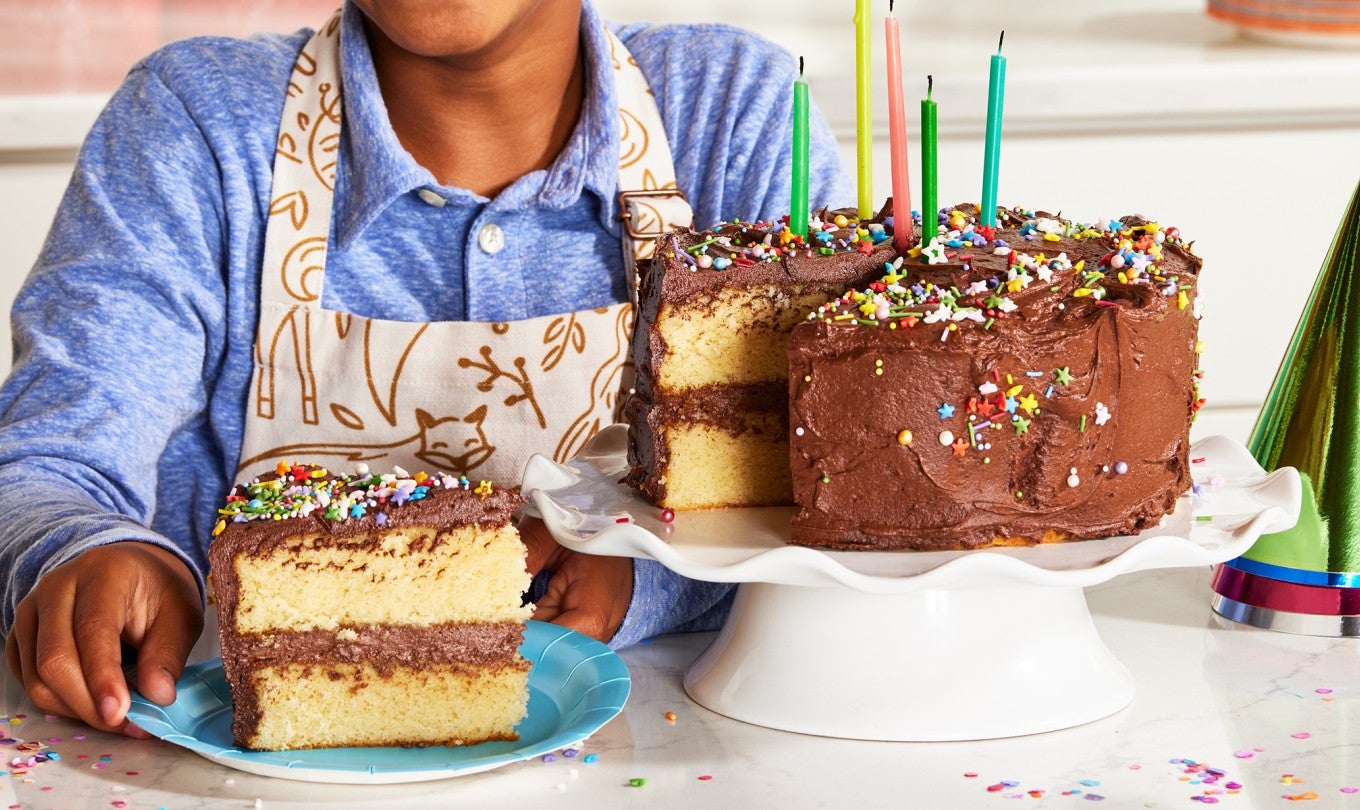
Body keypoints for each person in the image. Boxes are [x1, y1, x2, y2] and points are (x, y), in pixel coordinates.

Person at [0, 0, 847, 739]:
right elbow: (42, 467)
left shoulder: (736, 115)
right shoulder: (197, 127)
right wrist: (85, 549)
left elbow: (833, 494)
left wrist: (647, 575)